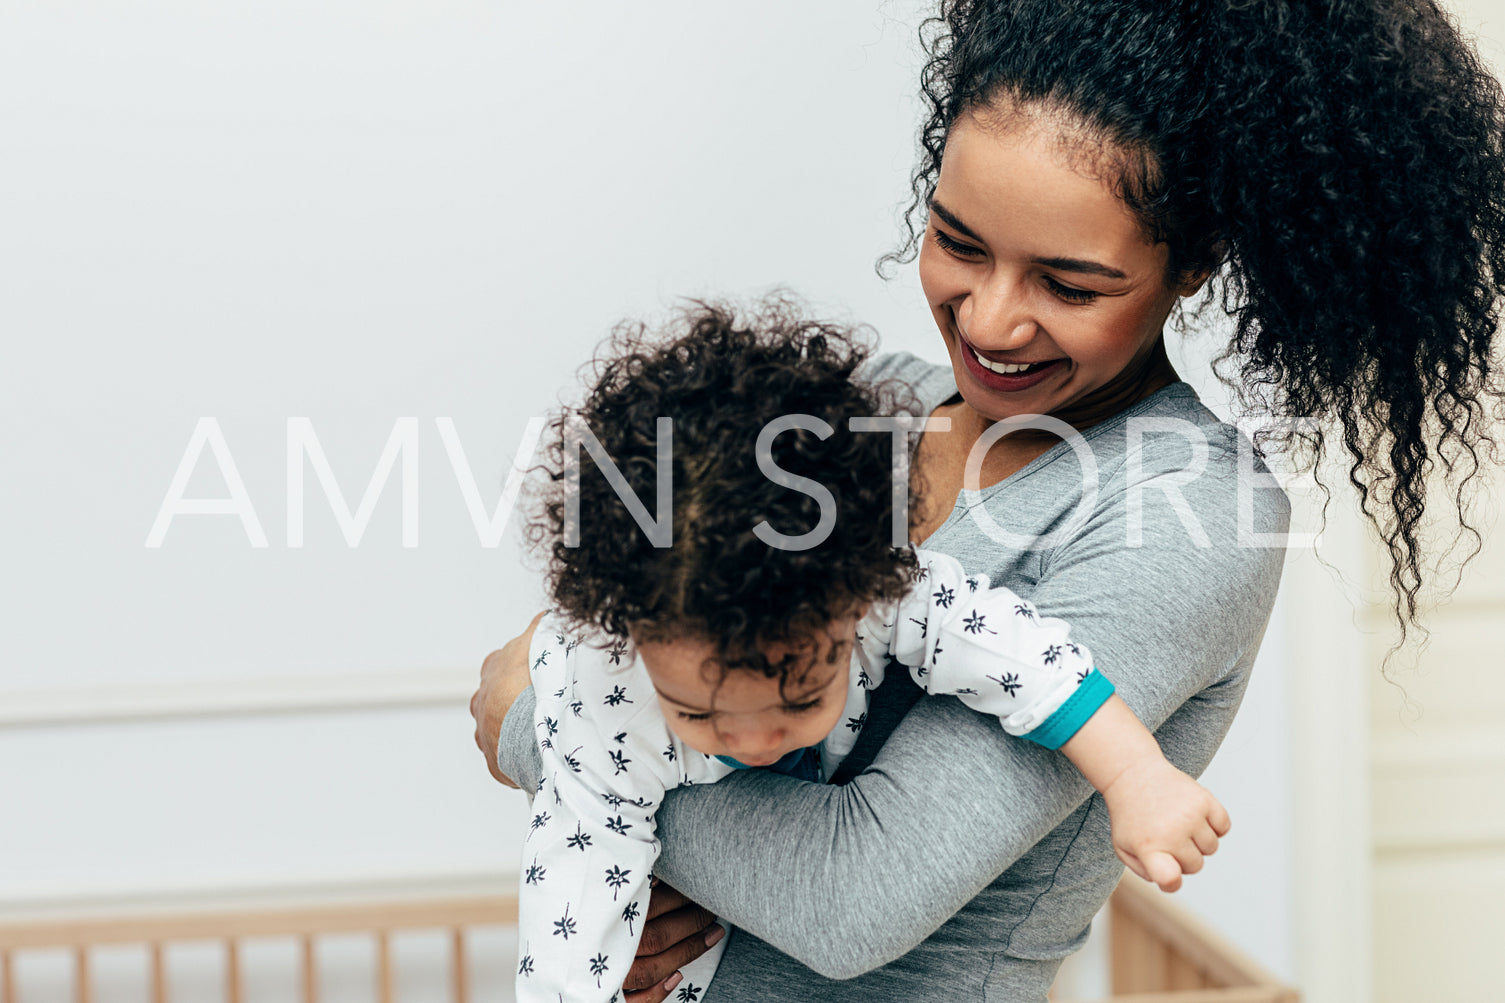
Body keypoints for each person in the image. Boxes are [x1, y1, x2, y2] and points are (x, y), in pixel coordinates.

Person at [473, 1, 1505, 1000]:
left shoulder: (1183, 509)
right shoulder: (857, 415)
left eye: (1068, 284)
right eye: (960, 243)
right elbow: (650, 611)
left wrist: (549, 736)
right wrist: (620, 874)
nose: (991, 321)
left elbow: (851, 899)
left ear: (1186, 266)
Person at [513, 306, 1229, 1003]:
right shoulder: (605, 709)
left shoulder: (871, 583)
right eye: (700, 712)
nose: (757, 741)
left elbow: (1019, 657)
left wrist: (1135, 773)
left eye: (800, 698)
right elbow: (569, 907)